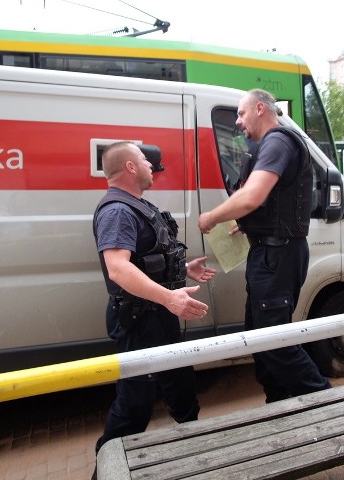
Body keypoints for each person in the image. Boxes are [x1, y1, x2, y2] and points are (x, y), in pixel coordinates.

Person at [198, 88, 331, 403]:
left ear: (260, 108)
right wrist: (244, 224)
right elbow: (270, 201)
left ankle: (328, 404)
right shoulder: (271, 145)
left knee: (273, 343)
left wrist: (212, 218)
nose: (239, 122)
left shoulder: (276, 142)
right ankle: (280, 405)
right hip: (271, 254)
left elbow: (253, 196)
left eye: (242, 114)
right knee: (259, 339)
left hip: (278, 255)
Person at [92, 141, 215, 473]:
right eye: (145, 160)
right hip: (139, 321)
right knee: (134, 405)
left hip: (159, 317)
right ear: (131, 167)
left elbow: (145, 258)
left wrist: (181, 270)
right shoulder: (117, 211)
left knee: (182, 391)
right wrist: (169, 297)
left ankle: (197, 461)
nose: (151, 166)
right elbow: (118, 268)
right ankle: (104, 469)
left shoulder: (136, 205)